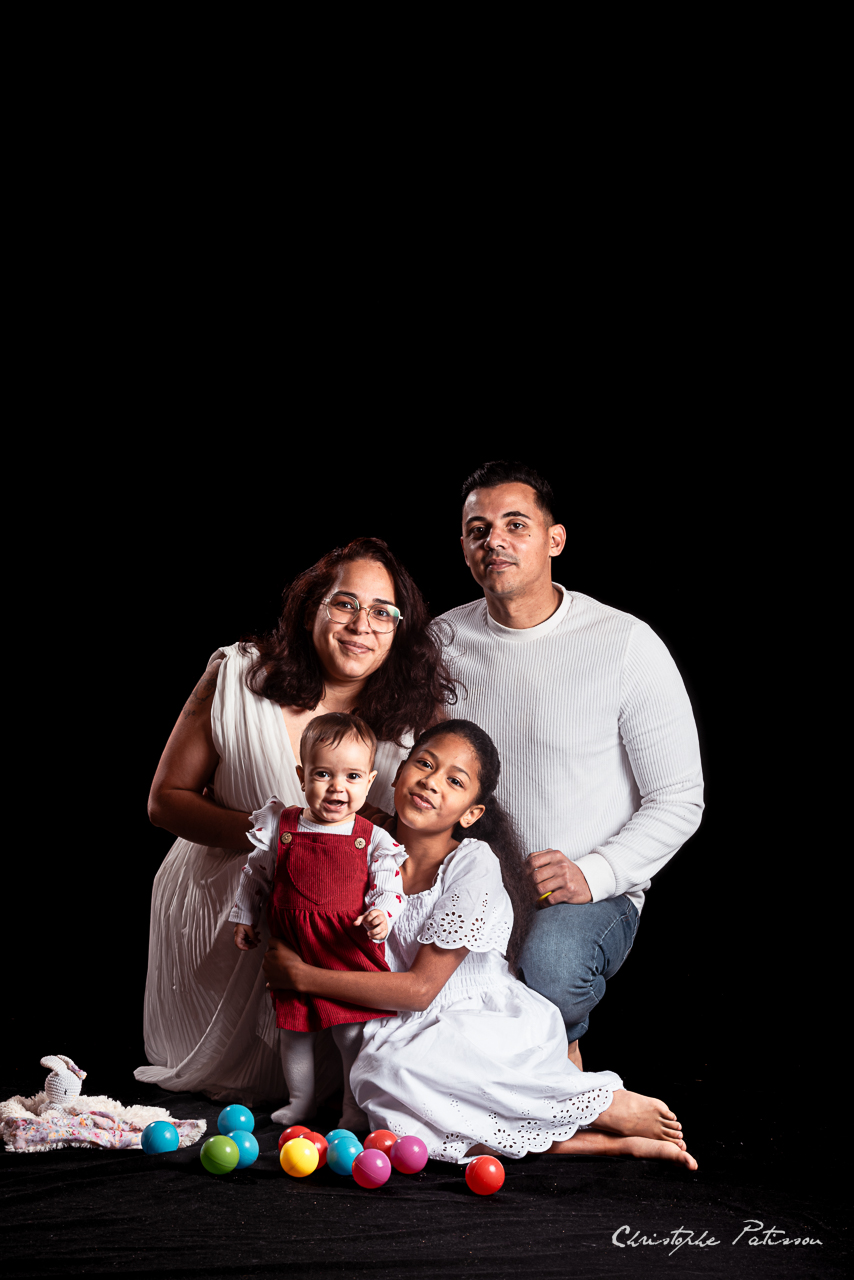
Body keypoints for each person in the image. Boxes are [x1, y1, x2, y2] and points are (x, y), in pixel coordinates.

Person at [262, 720, 697, 1169]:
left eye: (455, 781)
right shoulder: (363, 851)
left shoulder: (472, 863)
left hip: (475, 1017)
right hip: (397, 1023)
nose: (431, 782)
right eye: (424, 764)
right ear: (395, 776)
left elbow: (421, 990)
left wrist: (302, 977)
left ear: (470, 814)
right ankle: (604, 1144)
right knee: (386, 1092)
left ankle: (601, 1104)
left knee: (403, 1070)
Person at [136, 537, 454, 1106]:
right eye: (344, 604)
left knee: (340, 1074)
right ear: (312, 611)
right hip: (224, 914)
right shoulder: (238, 677)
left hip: (337, 936)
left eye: (383, 612)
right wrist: (285, 838)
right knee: (233, 1085)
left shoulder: (417, 718)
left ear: (399, 630)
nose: (361, 625)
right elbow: (166, 801)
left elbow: (432, 826)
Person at [434, 461, 704, 1068]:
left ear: (554, 539)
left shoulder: (625, 643)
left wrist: (596, 872)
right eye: (478, 530)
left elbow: (680, 796)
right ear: (464, 548)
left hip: (583, 896)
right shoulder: (440, 645)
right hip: (471, 881)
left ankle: (567, 1059)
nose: (494, 541)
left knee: (551, 966)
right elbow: (404, 766)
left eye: (516, 525)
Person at [229, 712, 408, 1128]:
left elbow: (390, 884)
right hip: (293, 948)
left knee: (350, 1035)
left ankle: (352, 1107)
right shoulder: (283, 826)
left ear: (369, 781)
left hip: (344, 949)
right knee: (294, 1032)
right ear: (302, 776)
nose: (337, 787)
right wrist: (245, 915)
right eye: (323, 774)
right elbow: (256, 874)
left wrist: (382, 914)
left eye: (352, 776)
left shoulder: (372, 837)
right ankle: (301, 1103)